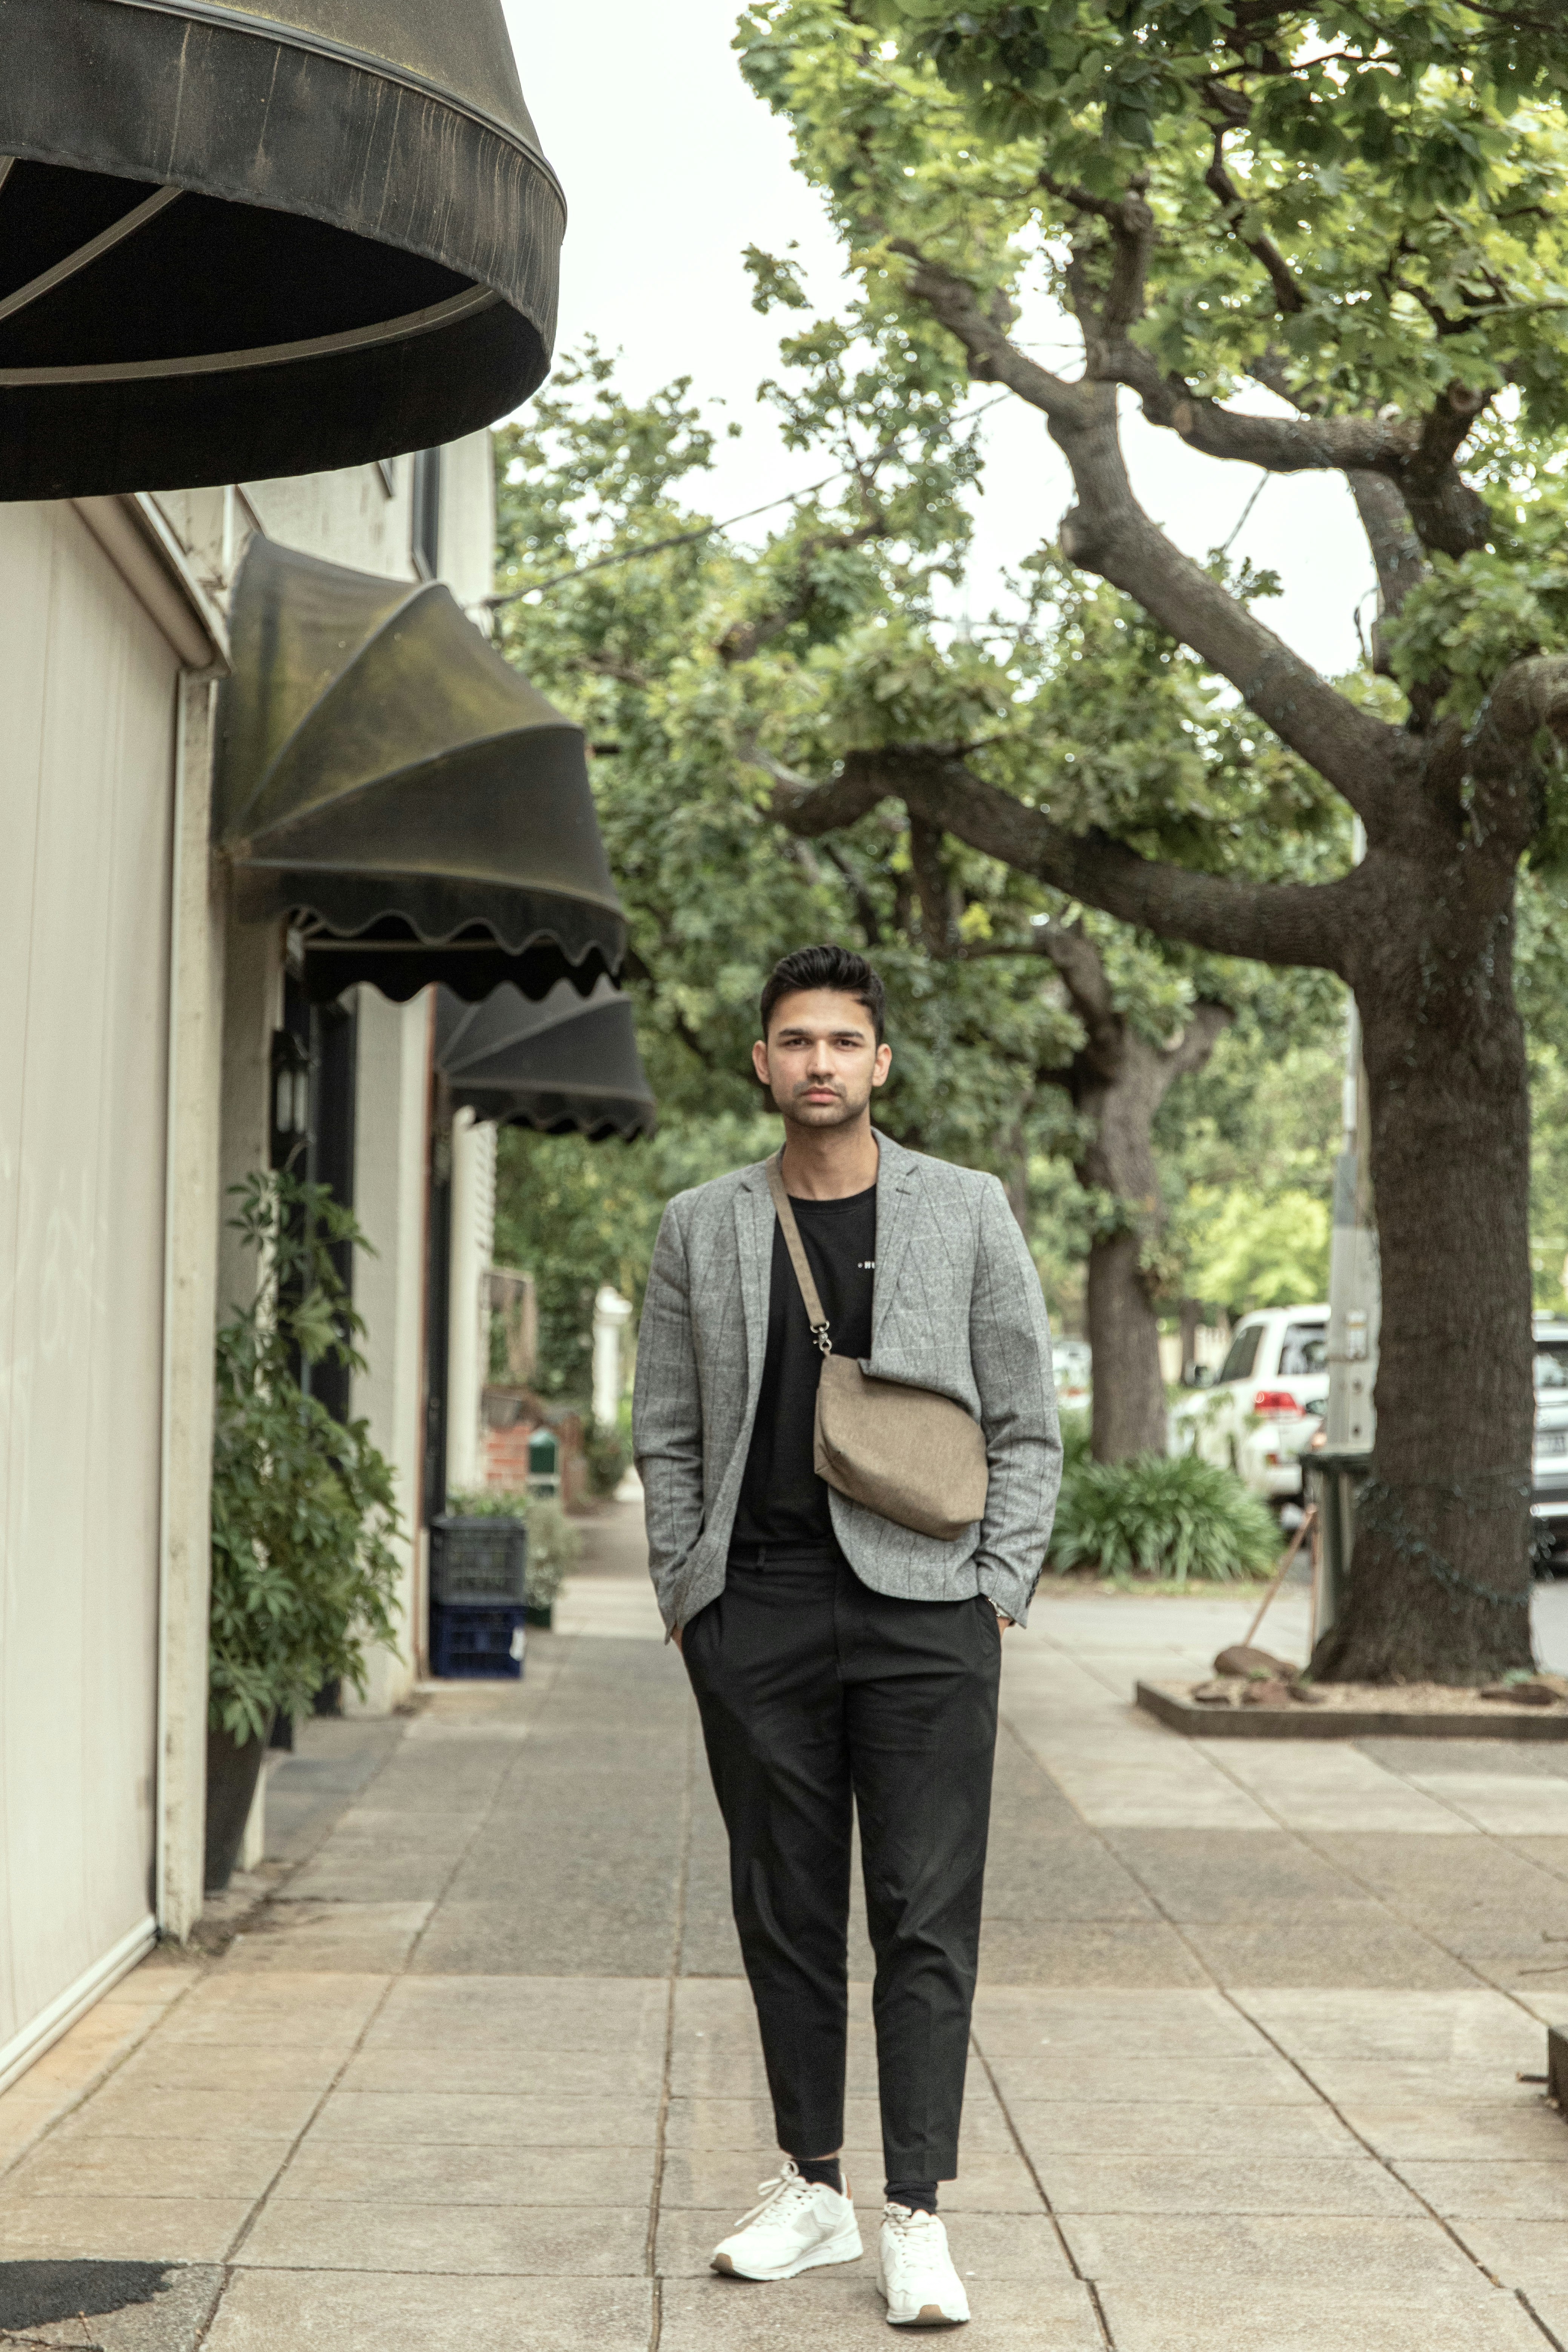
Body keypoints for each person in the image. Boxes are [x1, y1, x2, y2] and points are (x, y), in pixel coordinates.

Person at [633, 943, 1060, 2329]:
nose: (818, 1061)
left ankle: (917, 2214)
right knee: (786, 1911)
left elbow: (1023, 1417)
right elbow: (668, 1434)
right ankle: (812, 2187)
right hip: (754, 1614)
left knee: (925, 1918)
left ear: (881, 1063)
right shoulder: (701, 1225)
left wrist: (999, 1586)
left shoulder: (968, 1208)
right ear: (760, 1063)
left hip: (930, 1610)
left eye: (843, 1041)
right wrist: (691, 1601)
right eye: (794, 1040)